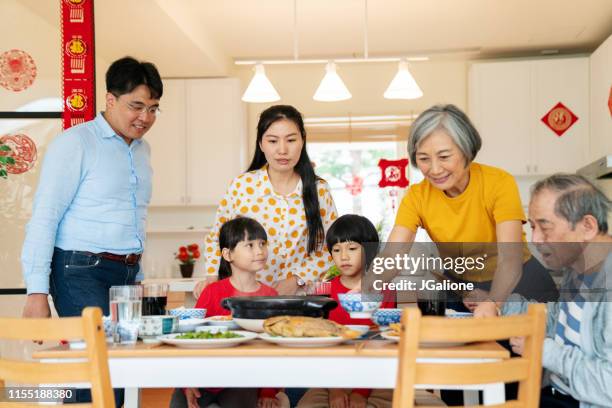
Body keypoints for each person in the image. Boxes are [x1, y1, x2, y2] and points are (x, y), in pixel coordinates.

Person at [21, 56, 162, 405]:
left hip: (125, 276)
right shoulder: (76, 144)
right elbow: (45, 216)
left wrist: (138, 274)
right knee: (99, 374)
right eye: (137, 106)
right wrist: (35, 292)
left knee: (123, 371)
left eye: (154, 108)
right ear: (110, 100)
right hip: (79, 270)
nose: (145, 118)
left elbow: (134, 217)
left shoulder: (143, 151)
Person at [372, 104, 557, 318]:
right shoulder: (416, 196)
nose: (435, 169)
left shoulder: (498, 183)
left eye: (444, 156)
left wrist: (493, 302)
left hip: (520, 285)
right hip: (463, 290)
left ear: (466, 150)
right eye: (424, 159)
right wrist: (368, 284)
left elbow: (510, 258)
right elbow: (393, 254)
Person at [197, 105, 338, 297]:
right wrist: (212, 278)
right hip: (245, 297)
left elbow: (331, 248)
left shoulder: (319, 190)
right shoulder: (242, 186)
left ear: (302, 141)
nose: (282, 149)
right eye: (272, 141)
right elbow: (217, 238)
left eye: (291, 140)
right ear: (261, 144)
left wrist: (297, 279)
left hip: (298, 297)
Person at [505, 174, 612, 408]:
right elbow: (558, 319)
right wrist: (499, 305)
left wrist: (543, 350)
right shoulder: (579, 266)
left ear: (587, 226)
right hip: (556, 394)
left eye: (545, 227)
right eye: (533, 227)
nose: (536, 239)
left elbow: (608, 385)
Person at [171, 217, 286, 408]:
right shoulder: (212, 292)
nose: (259, 251)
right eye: (249, 245)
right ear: (227, 254)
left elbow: (275, 348)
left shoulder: (270, 296)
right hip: (204, 380)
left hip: (243, 381)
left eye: (262, 244)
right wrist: (186, 384)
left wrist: (268, 390)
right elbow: (189, 339)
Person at [297, 214, 394, 408]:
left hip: (377, 376)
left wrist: (361, 392)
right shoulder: (323, 292)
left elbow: (384, 343)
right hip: (332, 376)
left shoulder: (385, 291)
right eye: (336, 249)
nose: (343, 256)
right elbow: (320, 345)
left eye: (352, 248)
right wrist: (335, 388)